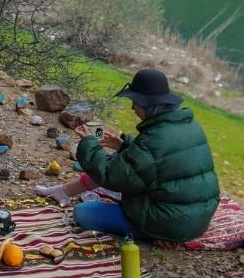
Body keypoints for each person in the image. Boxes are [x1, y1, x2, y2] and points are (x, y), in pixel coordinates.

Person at [37, 68, 220, 243]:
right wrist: (125, 145)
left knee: (83, 212)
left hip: (170, 224)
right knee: (121, 167)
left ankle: (63, 193)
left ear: (148, 105)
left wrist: (88, 142)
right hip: (199, 217)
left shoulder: (153, 140)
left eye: (135, 102)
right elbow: (165, 159)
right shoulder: (190, 125)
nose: (133, 107)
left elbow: (109, 175)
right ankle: (63, 191)